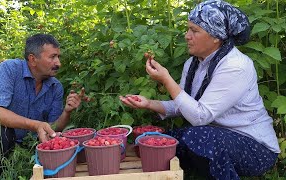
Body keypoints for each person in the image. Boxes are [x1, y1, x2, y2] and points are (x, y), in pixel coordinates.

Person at [119, 0, 280, 179]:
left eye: (195, 31)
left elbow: (200, 116)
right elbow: (183, 104)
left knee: (196, 137)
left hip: (255, 148)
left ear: (216, 36)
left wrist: (166, 80)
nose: (187, 36)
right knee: (166, 141)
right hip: (218, 137)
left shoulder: (235, 66)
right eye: (188, 29)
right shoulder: (194, 63)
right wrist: (149, 103)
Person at [0, 33, 88, 176]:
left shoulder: (55, 87)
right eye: (52, 57)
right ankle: (0, 176)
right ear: (32, 59)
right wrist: (35, 125)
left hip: (25, 143)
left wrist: (67, 112)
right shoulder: (9, 69)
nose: (58, 63)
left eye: (58, 57)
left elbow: (53, 128)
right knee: (0, 133)